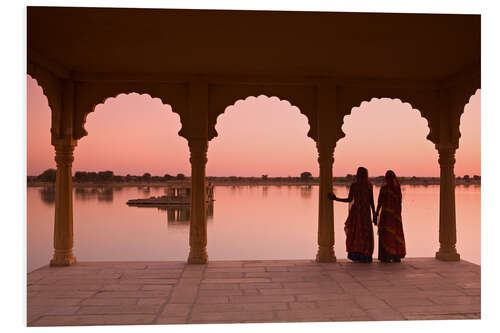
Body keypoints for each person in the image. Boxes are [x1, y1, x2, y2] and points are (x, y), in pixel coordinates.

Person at [328, 167, 376, 263]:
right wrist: (374, 214)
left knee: (356, 234)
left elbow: (349, 200)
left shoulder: (355, 185)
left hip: (357, 214)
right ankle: (365, 256)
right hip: (365, 214)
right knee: (365, 234)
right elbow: (371, 202)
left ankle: (357, 255)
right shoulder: (369, 185)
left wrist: (336, 198)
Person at [374, 170, 406, 262]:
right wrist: (399, 214)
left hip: (386, 215)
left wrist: (376, 214)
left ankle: (386, 256)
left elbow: (379, 202)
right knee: (394, 234)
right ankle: (395, 255)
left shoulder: (384, 188)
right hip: (394, 215)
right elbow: (399, 203)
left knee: (386, 234)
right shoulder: (397, 189)